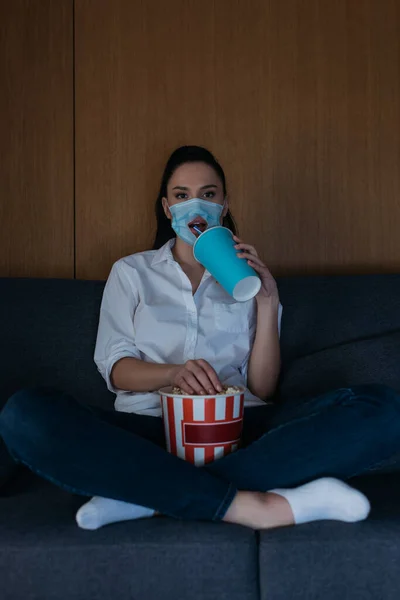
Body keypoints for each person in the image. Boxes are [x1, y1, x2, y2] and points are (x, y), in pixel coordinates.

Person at [1, 145, 400, 531]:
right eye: (182, 195)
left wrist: (267, 301)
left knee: (383, 409)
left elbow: (262, 386)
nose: (196, 205)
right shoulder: (131, 272)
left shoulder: (248, 281)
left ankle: (147, 495)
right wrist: (174, 373)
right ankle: (253, 504)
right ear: (167, 208)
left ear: (223, 206)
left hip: (241, 427)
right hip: (149, 430)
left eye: (208, 194)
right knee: (25, 414)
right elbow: (117, 369)